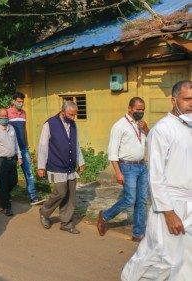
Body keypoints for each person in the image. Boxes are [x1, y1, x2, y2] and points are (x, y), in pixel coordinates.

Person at [121, 80, 192, 280]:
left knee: (186, 258)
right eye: (187, 99)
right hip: (169, 205)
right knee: (160, 257)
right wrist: (169, 213)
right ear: (174, 100)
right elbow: (156, 175)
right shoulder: (163, 129)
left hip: (190, 202)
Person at [97, 97, 150, 242]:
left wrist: (146, 129)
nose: (140, 112)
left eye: (143, 109)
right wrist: (118, 172)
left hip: (142, 166)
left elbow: (151, 141)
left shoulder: (141, 124)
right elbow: (112, 152)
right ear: (130, 108)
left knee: (142, 200)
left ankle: (138, 233)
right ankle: (105, 216)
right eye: (138, 109)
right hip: (127, 167)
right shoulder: (119, 125)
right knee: (130, 199)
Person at [37, 100, 85, 234]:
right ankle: (44, 212)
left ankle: (66, 222)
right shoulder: (50, 124)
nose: (73, 117)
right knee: (60, 192)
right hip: (56, 165)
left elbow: (76, 144)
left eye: (75, 114)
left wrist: (80, 161)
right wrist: (41, 166)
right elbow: (43, 145)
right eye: (70, 114)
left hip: (70, 166)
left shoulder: (73, 124)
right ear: (63, 111)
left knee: (70, 195)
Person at [7, 92, 44, 205]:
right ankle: (4, 194)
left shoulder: (24, 113)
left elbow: (24, 130)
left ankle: (33, 197)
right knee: (10, 175)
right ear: (13, 101)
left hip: (23, 148)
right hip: (11, 150)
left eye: (22, 102)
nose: (21, 103)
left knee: (29, 173)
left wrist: (26, 145)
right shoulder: (7, 113)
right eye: (18, 101)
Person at [0, 108, 23, 216]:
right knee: (3, 185)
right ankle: (6, 207)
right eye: (1, 117)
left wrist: (19, 156)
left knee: (14, 181)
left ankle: (1, 194)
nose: (4, 118)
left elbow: (16, 143)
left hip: (11, 160)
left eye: (5, 116)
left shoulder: (11, 128)